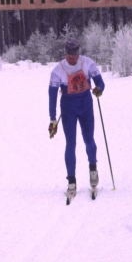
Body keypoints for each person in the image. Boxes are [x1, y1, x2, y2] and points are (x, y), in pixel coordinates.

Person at [48, 38, 105, 200]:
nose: (72, 59)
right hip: (68, 107)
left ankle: (93, 169)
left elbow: (100, 81)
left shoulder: (87, 63)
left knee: (89, 139)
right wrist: (52, 119)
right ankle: (71, 180)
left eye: (74, 56)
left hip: (86, 104)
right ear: (65, 54)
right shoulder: (57, 71)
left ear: (78, 54)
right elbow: (52, 96)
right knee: (71, 143)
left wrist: (99, 89)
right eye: (69, 56)